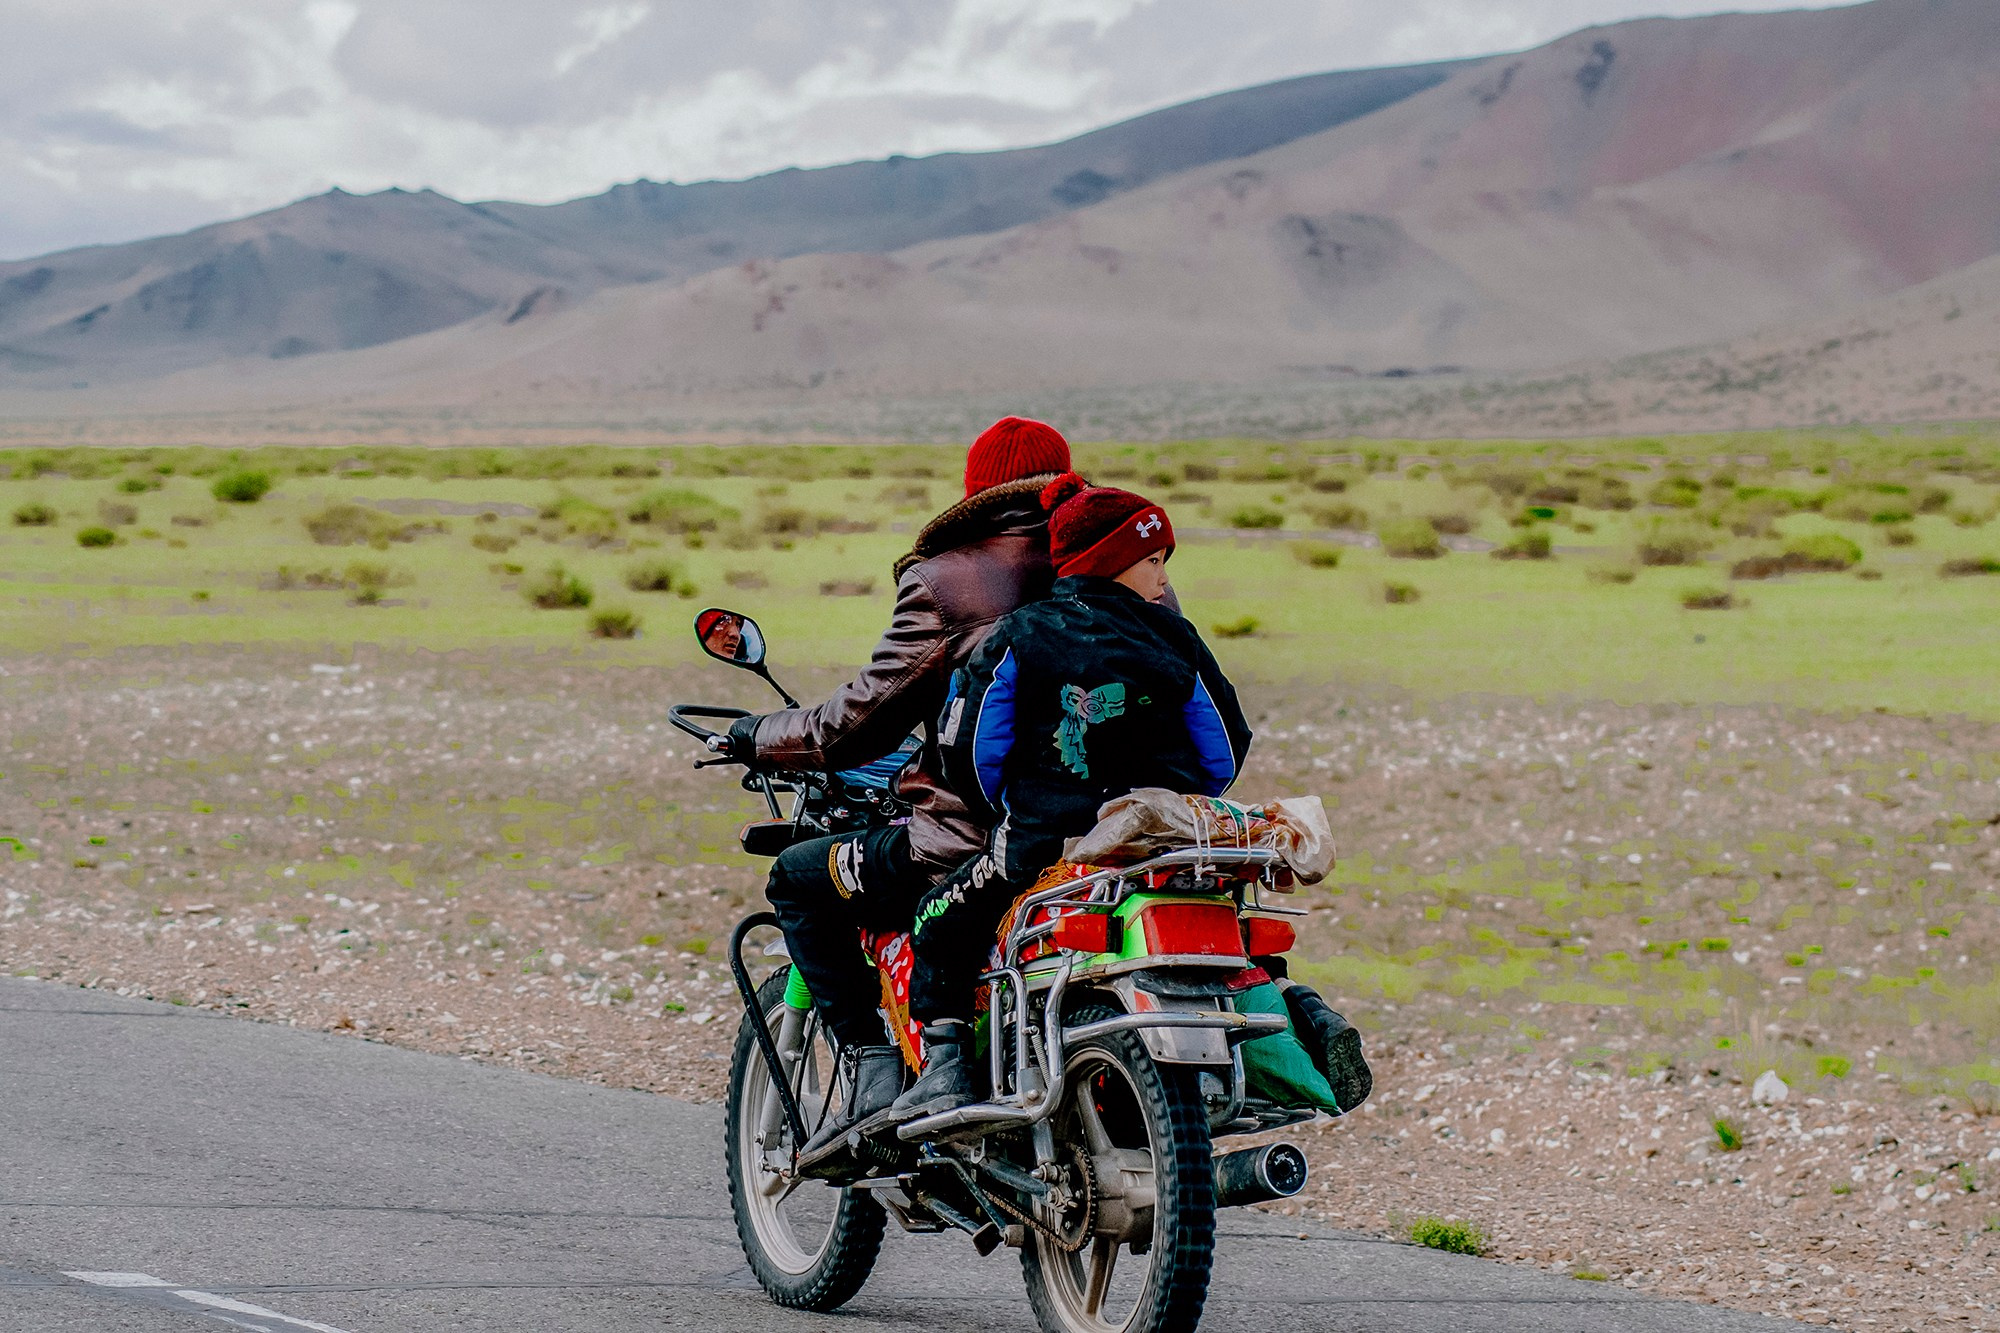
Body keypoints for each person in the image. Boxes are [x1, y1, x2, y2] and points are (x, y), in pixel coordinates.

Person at [722, 416, 1073, 1158]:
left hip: (974, 841)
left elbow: (858, 723)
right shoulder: (1117, 569)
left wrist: (760, 734)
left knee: (797, 879)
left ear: (978, 493)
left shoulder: (948, 580)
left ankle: (872, 1064)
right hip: (1101, 831)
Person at [889, 473, 1255, 1122]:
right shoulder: (1175, 637)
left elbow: (972, 749)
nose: (1163, 578)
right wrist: (1168, 802)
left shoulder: (1021, 635)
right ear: (1112, 560)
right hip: (1155, 848)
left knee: (938, 919)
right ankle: (1294, 1012)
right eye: (1153, 560)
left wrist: (1014, 806)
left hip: (1044, 849)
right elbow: (1223, 750)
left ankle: (945, 1067)